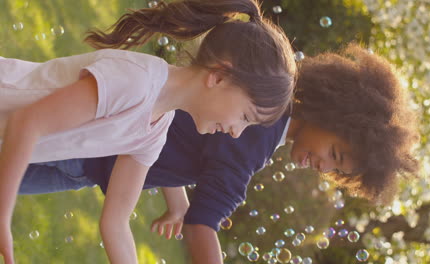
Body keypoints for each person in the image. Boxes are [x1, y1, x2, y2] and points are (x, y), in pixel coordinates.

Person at [18, 43, 419, 263]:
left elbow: (170, 133)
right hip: (86, 153)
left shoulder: (261, 118)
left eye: (336, 168)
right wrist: (192, 216)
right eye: (334, 151)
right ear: (331, 112)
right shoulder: (260, 134)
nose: (324, 166)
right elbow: (203, 223)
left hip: (97, 149)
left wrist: (177, 198)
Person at [0, 0, 297, 263]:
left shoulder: (156, 129)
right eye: (245, 117)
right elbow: (27, 122)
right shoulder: (138, 82)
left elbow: (115, 222)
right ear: (219, 77)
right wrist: (3, 213)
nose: (236, 133)